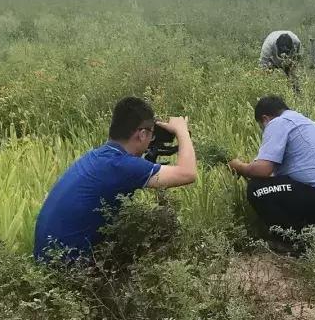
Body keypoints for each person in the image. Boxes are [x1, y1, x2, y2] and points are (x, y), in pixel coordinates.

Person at [33, 97, 197, 262]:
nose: (150, 141)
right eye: (151, 135)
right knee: (160, 230)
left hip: (46, 260)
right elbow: (188, 173)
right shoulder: (121, 165)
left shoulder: (99, 156)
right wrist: (181, 131)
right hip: (67, 269)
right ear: (142, 135)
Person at [228, 95, 315, 251]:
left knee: (257, 188)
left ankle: (292, 242)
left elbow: (262, 170)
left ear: (265, 119)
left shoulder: (278, 122)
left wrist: (238, 166)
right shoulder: (302, 122)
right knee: (277, 186)